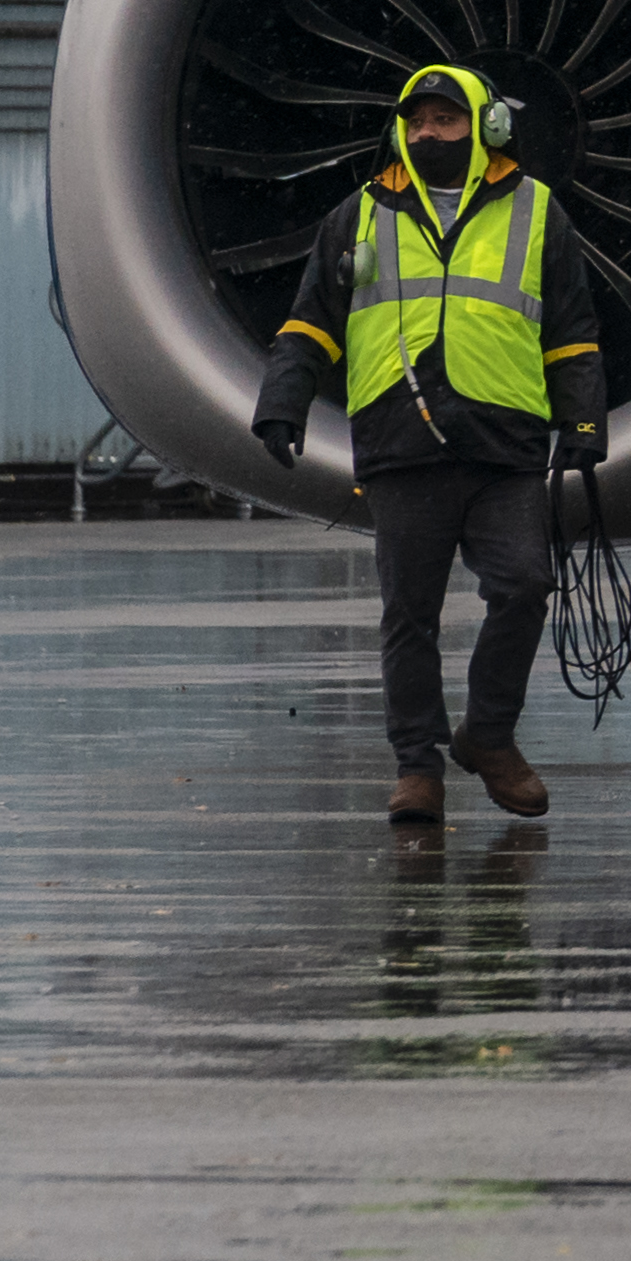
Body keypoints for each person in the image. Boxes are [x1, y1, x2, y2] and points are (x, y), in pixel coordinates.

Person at [249, 64, 607, 825]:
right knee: (408, 614)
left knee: (525, 587)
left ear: (485, 129)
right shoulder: (360, 215)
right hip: (400, 443)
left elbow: (571, 332)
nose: (427, 134)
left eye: (445, 122)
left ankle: (489, 735)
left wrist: (582, 425)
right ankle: (418, 767)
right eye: (417, 123)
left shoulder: (538, 212)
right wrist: (283, 400)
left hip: (501, 443)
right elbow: (311, 319)